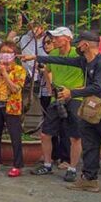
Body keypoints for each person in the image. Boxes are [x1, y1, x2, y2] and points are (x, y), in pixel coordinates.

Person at [24, 31, 101, 197]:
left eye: (79, 43)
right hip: (90, 108)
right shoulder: (85, 61)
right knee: (90, 144)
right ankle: (89, 179)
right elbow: (63, 60)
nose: (77, 46)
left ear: (86, 44)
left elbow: (98, 87)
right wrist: (37, 58)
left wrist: (72, 93)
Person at [32, 27, 83, 182]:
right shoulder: (53, 54)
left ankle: (72, 167)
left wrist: (75, 91)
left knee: (75, 136)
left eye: (56, 37)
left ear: (67, 38)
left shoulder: (77, 54)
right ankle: (47, 164)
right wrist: (49, 86)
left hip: (75, 98)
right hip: (57, 98)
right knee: (45, 133)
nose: (53, 40)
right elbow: (47, 70)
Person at [0, 41, 27, 176]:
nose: (5, 55)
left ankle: (17, 164)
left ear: (14, 55)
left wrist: (5, 74)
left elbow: (15, 88)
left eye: (9, 52)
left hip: (11, 107)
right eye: (3, 52)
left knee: (15, 136)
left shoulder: (19, 70)